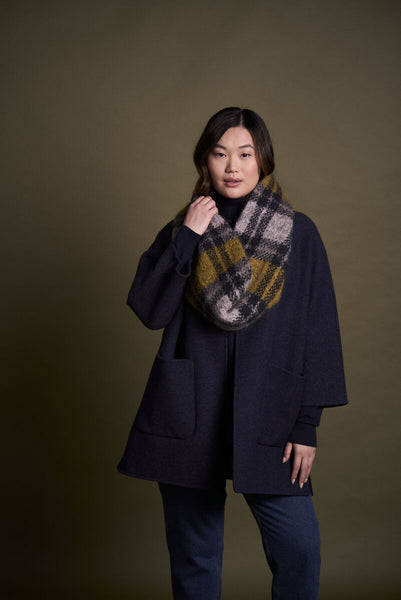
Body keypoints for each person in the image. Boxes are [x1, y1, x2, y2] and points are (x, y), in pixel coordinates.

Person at [118, 107, 348, 599]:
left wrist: (306, 425)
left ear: (263, 159)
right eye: (220, 153)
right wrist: (189, 237)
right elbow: (150, 309)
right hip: (190, 410)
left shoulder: (298, 232)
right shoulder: (183, 227)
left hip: (272, 412)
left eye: (245, 154)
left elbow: (320, 329)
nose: (232, 167)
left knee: (299, 549)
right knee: (195, 558)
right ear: (205, 159)